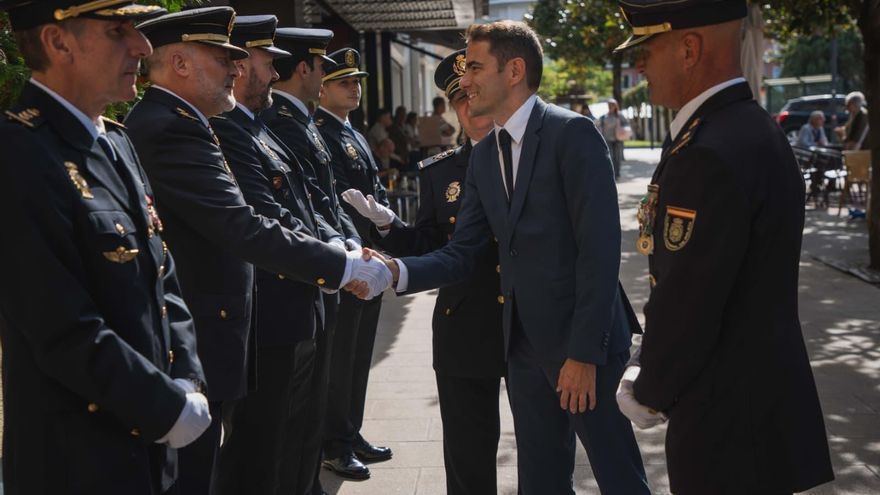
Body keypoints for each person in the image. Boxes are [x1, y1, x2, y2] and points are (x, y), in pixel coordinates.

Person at [359, 21, 649, 494]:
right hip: (523, 350)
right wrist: (396, 270)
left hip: (584, 347)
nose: (466, 80)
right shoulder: (483, 155)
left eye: (474, 66)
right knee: (541, 482)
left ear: (514, 70)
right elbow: (463, 252)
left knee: (619, 476)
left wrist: (582, 353)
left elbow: (599, 252)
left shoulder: (571, 133)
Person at [125, 9, 389, 494]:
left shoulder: (189, 119)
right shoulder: (171, 126)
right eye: (223, 56)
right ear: (180, 63)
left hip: (219, 330)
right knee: (225, 469)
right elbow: (241, 225)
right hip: (200, 335)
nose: (236, 66)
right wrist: (344, 263)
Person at [612, 1, 834, 493]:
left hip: (728, 422)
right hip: (756, 408)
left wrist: (649, 388)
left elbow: (691, 296)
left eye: (647, 49)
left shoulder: (709, 150)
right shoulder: (741, 129)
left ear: (689, 49)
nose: (638, 66)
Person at [0, 1, 210, 494]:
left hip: (149, 445)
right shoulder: (19, 153)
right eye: (118, 31)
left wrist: (187, 379)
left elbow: (164, 279)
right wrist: (164, 406)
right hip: (78, 458)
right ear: (57, 42)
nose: (142, 46)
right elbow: (61, 326)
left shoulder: (116, 142)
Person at [342, 48, 507, 495]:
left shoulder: (528, 156)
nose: (470, 107)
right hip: (464, 319)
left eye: (475, 94)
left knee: (540, 448)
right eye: (460, 100)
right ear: (453, 109)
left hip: (523, 319)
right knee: (468, 452)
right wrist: (388, 226)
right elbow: (430, 243)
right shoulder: (440, 172)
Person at [203, 15, 346, 495]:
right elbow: (263, 217)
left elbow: (304, 201)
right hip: (271, 308)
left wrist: (340, 244)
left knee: (298, 433)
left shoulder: (258, 127)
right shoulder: (229, 130)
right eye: (267, 62)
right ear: (241, 67)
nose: (272, 74)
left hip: (301, 295)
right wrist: (339, 260)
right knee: (261, 447)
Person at [262, 26, 364, 495]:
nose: (325, 78)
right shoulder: (283, 120)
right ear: (305, 68)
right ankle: (325, 454)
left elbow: (320, 200)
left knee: (326, 380)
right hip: (303, 274)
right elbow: (302, 203)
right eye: (323, 68)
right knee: (287, 411)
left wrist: (346, 240)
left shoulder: (298, 118)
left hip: (329, 258)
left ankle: (321, 464)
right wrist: (338, 250)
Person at [313, 48, 394, 481]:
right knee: (340, 359)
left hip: (371, 257)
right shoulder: (320, 131)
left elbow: (374, 188)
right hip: (349, 259)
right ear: (322, 87)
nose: (355, 87)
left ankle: (351, 431)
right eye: (344, 81)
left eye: (357, 80)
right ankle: (335, 444)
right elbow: (336, 198)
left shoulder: (351, 130)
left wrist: (384, 228)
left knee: (359, 353)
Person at [597, 98, 630, 178]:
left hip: (618, 139)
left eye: (612, 105)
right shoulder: (604, 116)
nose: (610, 106)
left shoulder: (619, 115)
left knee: (617, 157)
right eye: (609, 105)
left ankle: (617, 173)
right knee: (610, 157)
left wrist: (623, 129)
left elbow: (626, 125)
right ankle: (612, 174)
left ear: (616, 106)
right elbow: (599, 126)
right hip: (607, 139)